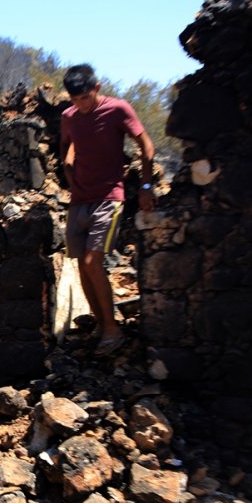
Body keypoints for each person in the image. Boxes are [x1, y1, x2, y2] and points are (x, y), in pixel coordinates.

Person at [59, 64, 156, 357]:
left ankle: (113, 329)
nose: (80, 105)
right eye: (75, 100)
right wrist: (68, 169)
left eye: (85, 98)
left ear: (97, 89)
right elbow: (67, 144)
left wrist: (146, 186)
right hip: (79, 199)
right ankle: (102, 325)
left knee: (92, 261)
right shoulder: (68, 117)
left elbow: (146, 145)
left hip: (109, 196)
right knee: (81, 266)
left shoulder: (118, 109)